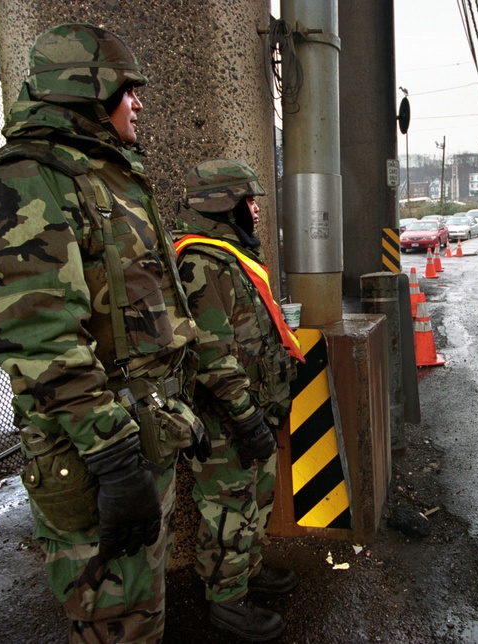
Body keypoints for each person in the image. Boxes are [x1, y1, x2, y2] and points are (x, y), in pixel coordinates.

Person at [0, 23, 205, 642]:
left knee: (140, 608)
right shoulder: (29, 179)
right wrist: (114, 455)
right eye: (127, 89)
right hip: (96, 450)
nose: (140, 103)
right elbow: (41, 337)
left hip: (136, 433)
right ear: (85, 89)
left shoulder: (100, 174)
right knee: (115, 621)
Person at [172, 159, 304, 641]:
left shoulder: (228, 255)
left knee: (254, 499)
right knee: (227, 507)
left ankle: (245, 573)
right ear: (222, 206)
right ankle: (226, 602)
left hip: (251, 406)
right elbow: (211, 353)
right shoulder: (200, 262)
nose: (254, 210)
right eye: (247, 201)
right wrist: (246, 416)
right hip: (225, 415)